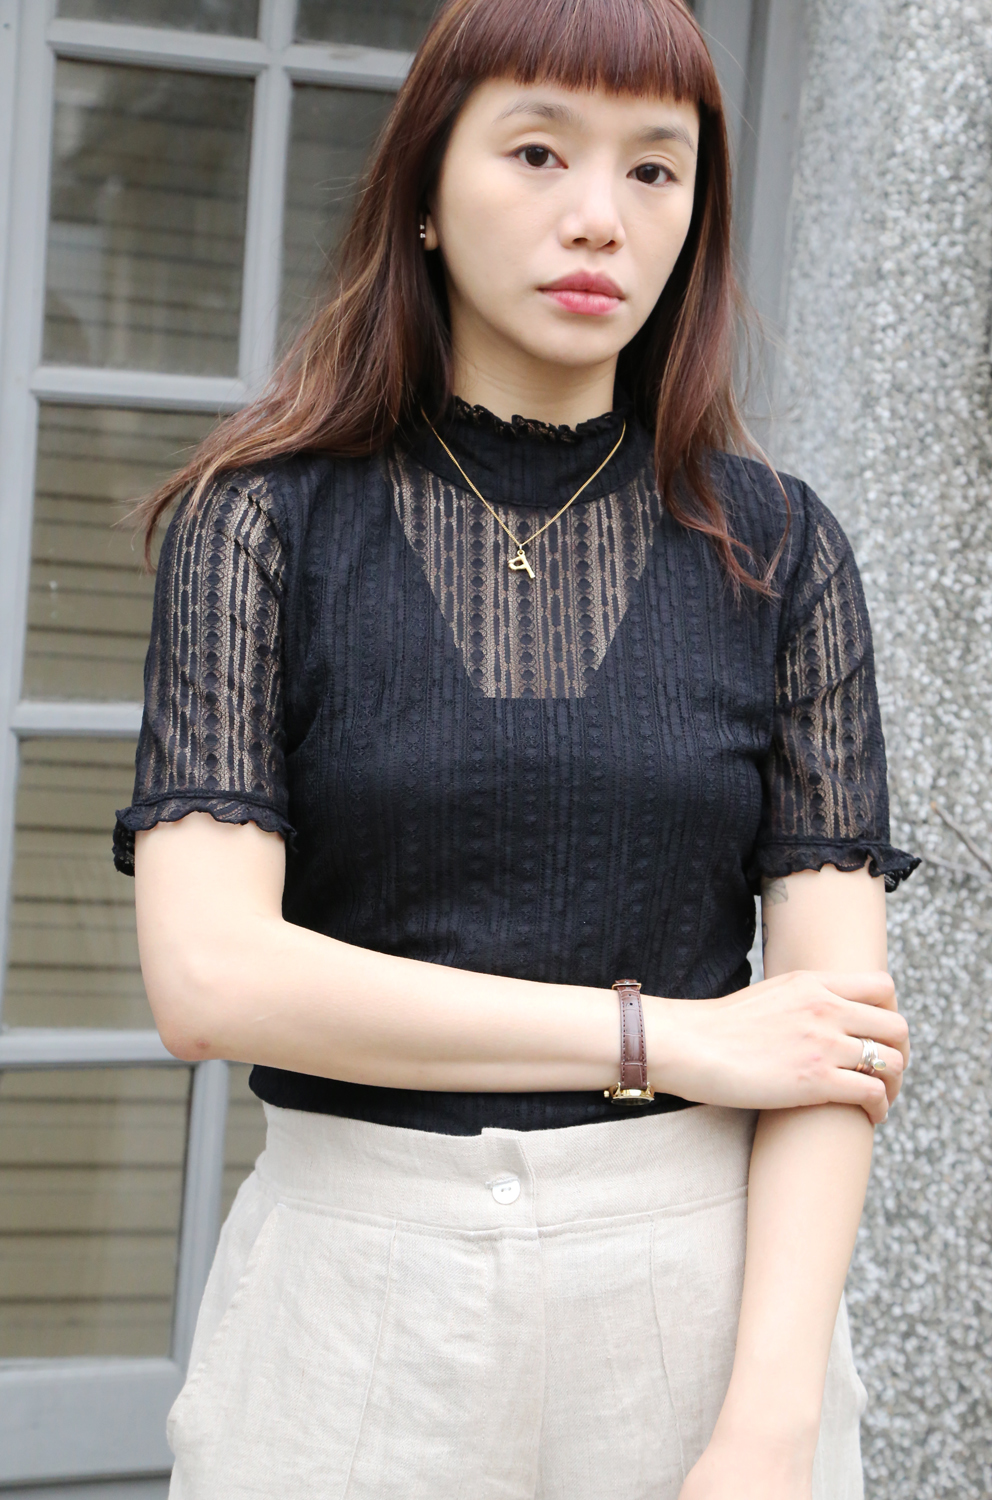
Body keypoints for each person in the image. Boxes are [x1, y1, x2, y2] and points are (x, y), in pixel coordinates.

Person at [115, 1, 918, 1495]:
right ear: (424, 188)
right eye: (540, 151)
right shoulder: (263, 523)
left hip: (698, 1293)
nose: (599, 216)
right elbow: (211, 978)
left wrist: (771, 1421)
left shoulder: (780, 549)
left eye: (655, 169)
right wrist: (664, 1038)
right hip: (358, 1297)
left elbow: (833, 1039)